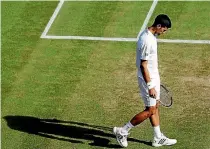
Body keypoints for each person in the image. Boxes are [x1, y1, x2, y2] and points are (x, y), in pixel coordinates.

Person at [113, 14, 177, 147]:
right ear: (158, 26)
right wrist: (150, 86)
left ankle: (158, 137)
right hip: (147, 80)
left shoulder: (152, 35)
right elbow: (143, 65)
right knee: (150, 110)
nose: (164, 33)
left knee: (155, 107)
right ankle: (123, 131)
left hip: (153, 77)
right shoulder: (147, 41)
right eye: (164, 30)